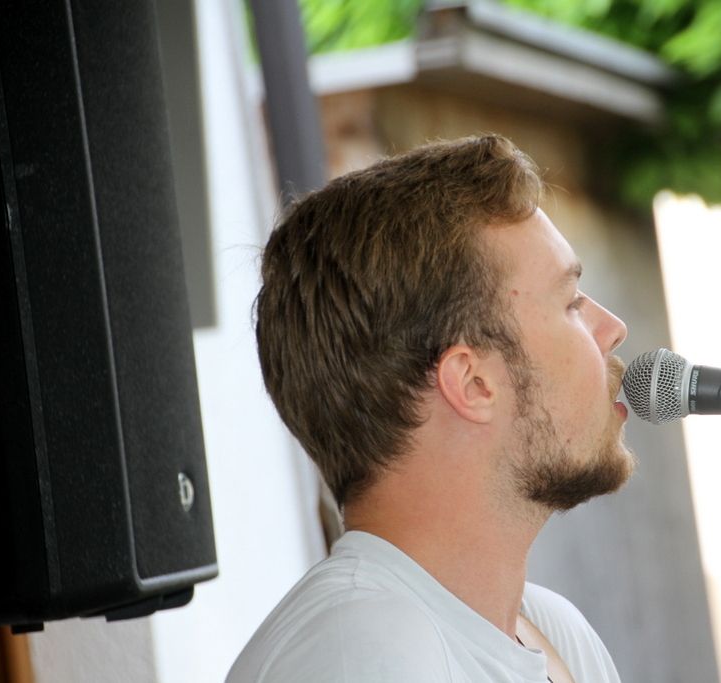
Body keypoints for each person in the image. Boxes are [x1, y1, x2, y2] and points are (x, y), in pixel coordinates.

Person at [228, 135, 634, 682]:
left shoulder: (556, 631)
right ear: (472, 382)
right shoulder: (360, 654)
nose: (613, 329)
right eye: (571, 303)